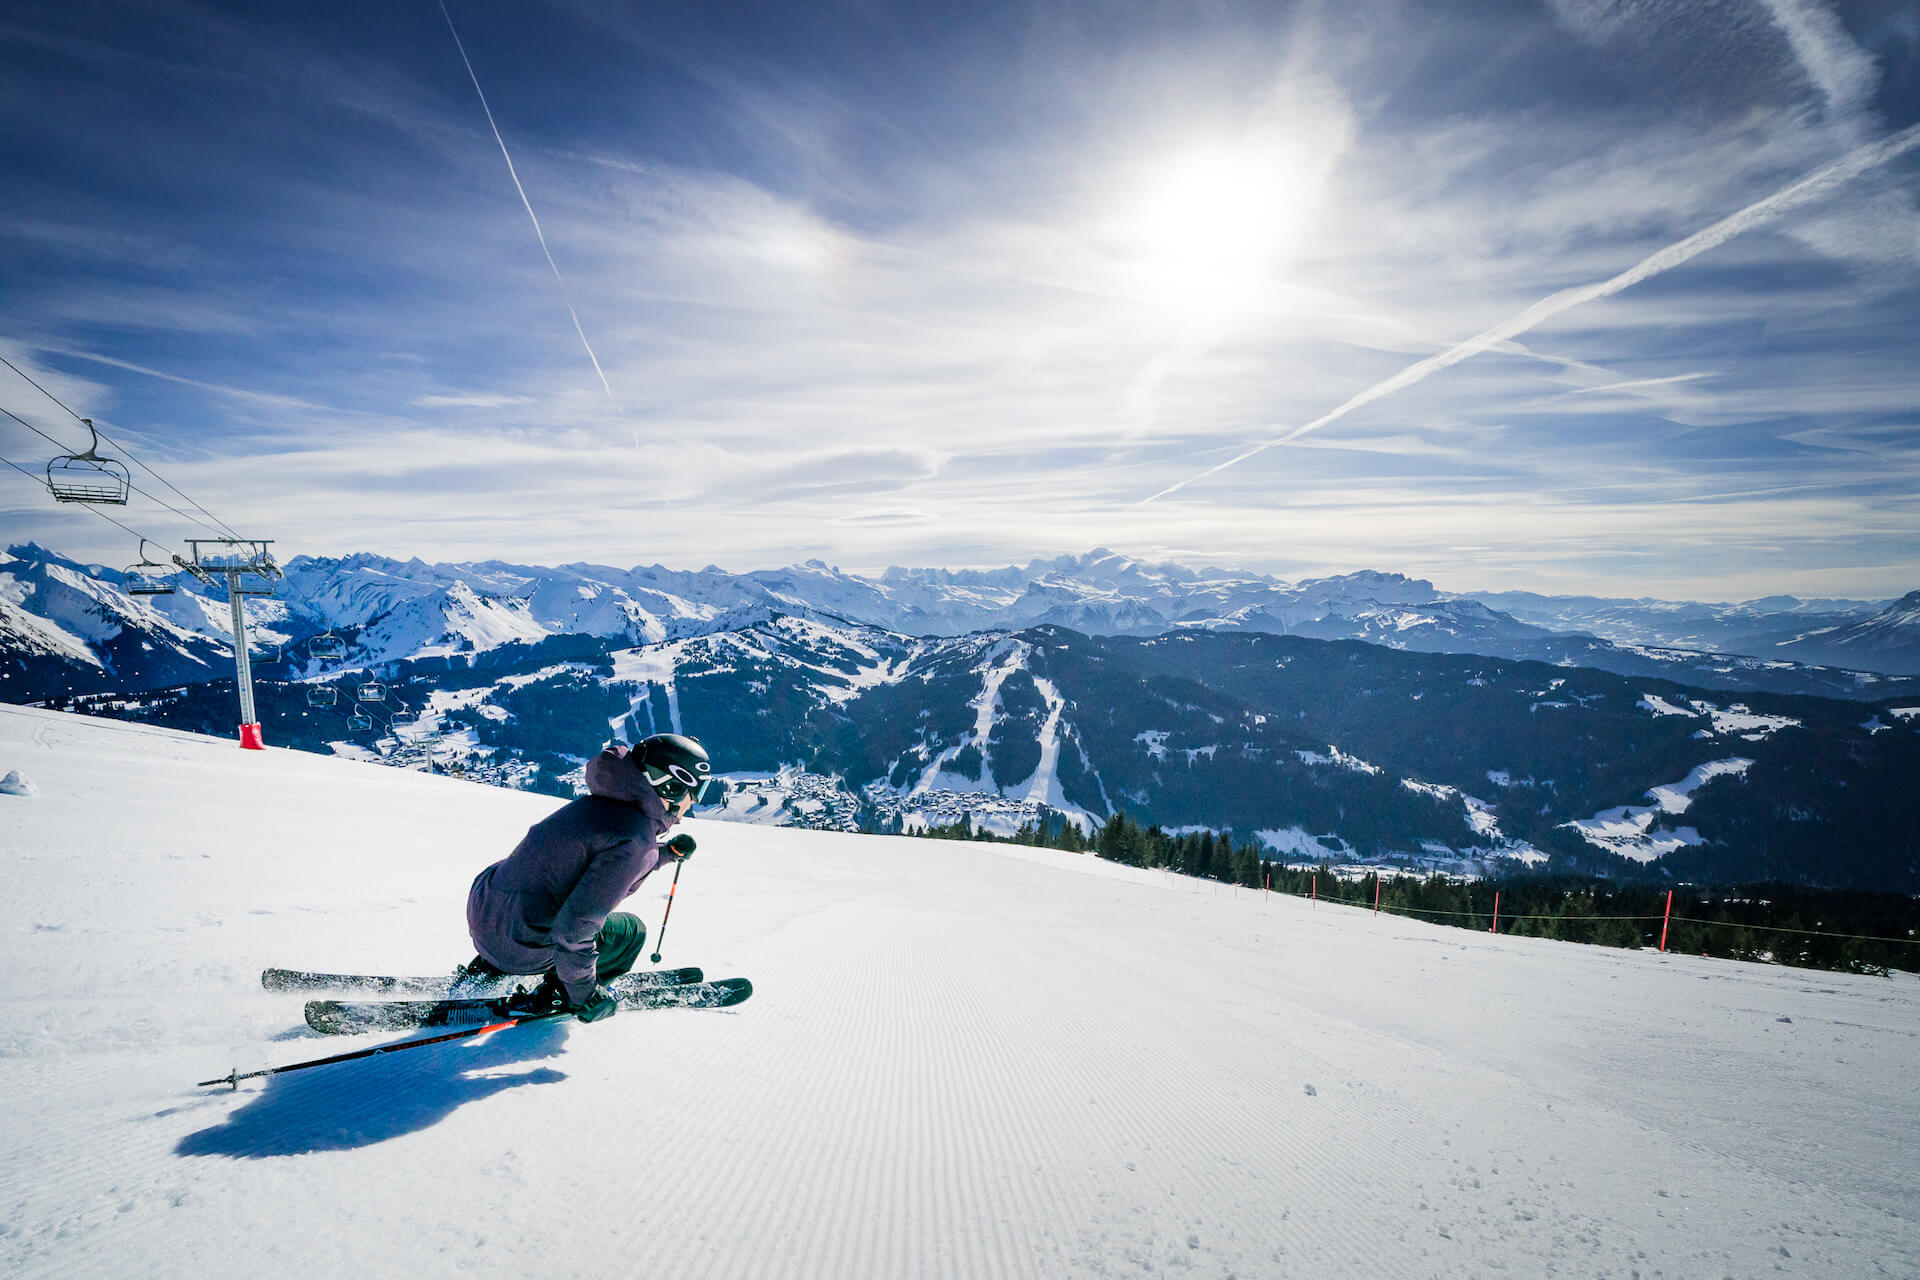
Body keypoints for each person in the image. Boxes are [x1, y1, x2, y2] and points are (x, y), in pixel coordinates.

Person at [462, 732, 718, 1022]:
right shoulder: (635, 838)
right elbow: (574, 930)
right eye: (694, 794)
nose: (691, 806)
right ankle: (560, 991)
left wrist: (666, 853)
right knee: (631, 933)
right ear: (671, 786)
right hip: (520, 946)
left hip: (487, 918)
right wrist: (584, 994)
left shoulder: (600, 805)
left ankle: (491, 966)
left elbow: (606, 855)